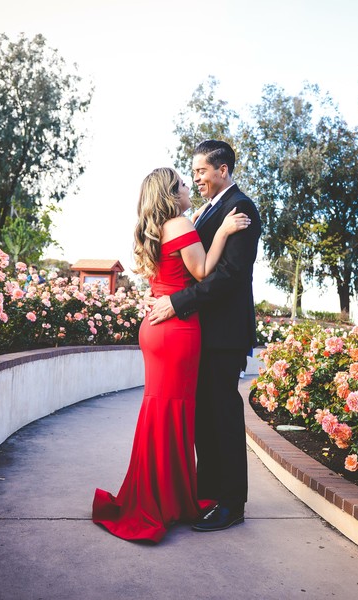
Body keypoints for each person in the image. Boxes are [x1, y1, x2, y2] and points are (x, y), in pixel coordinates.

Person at [92, 167, 251, 543]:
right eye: (182, 183)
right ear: (170, 193)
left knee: (160, 411)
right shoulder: (179, 223)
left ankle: (161, 496)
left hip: (155, 328)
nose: (188, 187)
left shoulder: (158, 227)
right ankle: (163, 501)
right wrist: (225, 232)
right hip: (178, 328)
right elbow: (203, 270)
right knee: (173, 414)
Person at [148, 140, 262, 532]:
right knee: (204, 420)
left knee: (223, 417)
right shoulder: (206, 211)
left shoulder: (241, 208)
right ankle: (209, 495)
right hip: (201, 334)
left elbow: (229, 276)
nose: (195, 178)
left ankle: (232, 504)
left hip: (224, 334)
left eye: (201, 171)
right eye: (192, 172)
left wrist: (178, 302)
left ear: (223, 170)